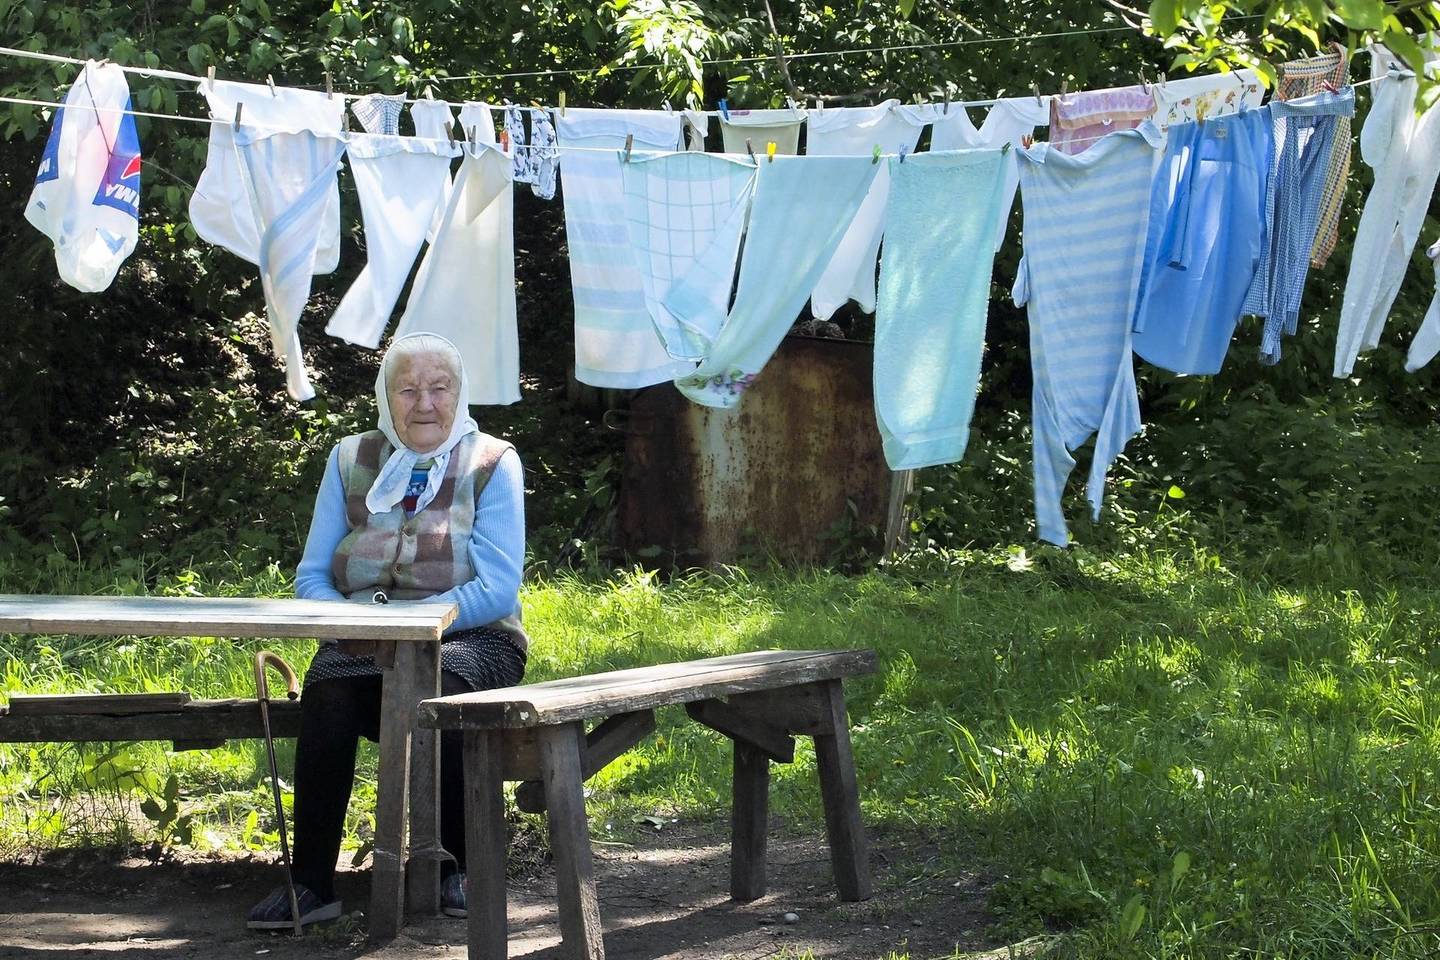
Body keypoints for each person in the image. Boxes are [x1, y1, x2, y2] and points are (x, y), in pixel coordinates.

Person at [248, 332, 528, 928]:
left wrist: (415, 625)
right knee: (328, 693)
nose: (424, 403)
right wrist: (355, 623)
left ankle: (456, 867)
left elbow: (496, 588)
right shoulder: (349, 458)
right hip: (363, 635)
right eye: (408, 389)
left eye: (439, 388)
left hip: (472, 634)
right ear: (385, 395)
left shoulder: (493, 462)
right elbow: (312, 577)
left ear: (460, 393)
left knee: (445, 690)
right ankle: (311, 883)